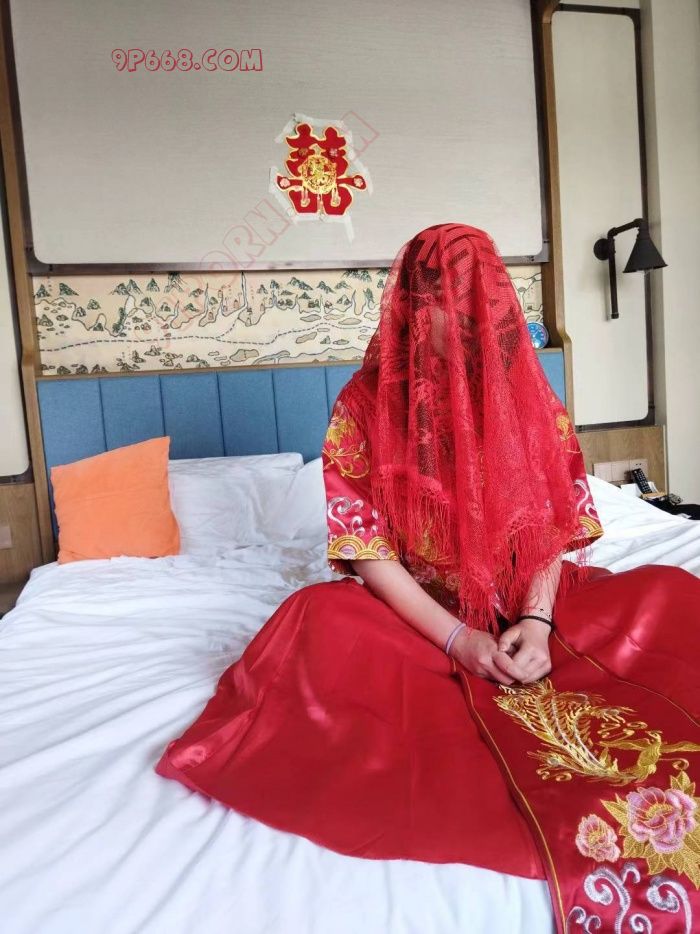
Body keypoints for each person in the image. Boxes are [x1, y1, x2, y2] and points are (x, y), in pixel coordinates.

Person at [155, 224, 604, 878]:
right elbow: (367, 551)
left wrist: (537, 620)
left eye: (484, 298)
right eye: (453, 300)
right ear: (416, 307)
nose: (475, 317)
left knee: (665, 597)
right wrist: (459, 640)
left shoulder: (527, 393)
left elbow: (552, 525)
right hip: (414, 614)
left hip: (522, 602)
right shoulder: (363, 405)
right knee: (314, 617)